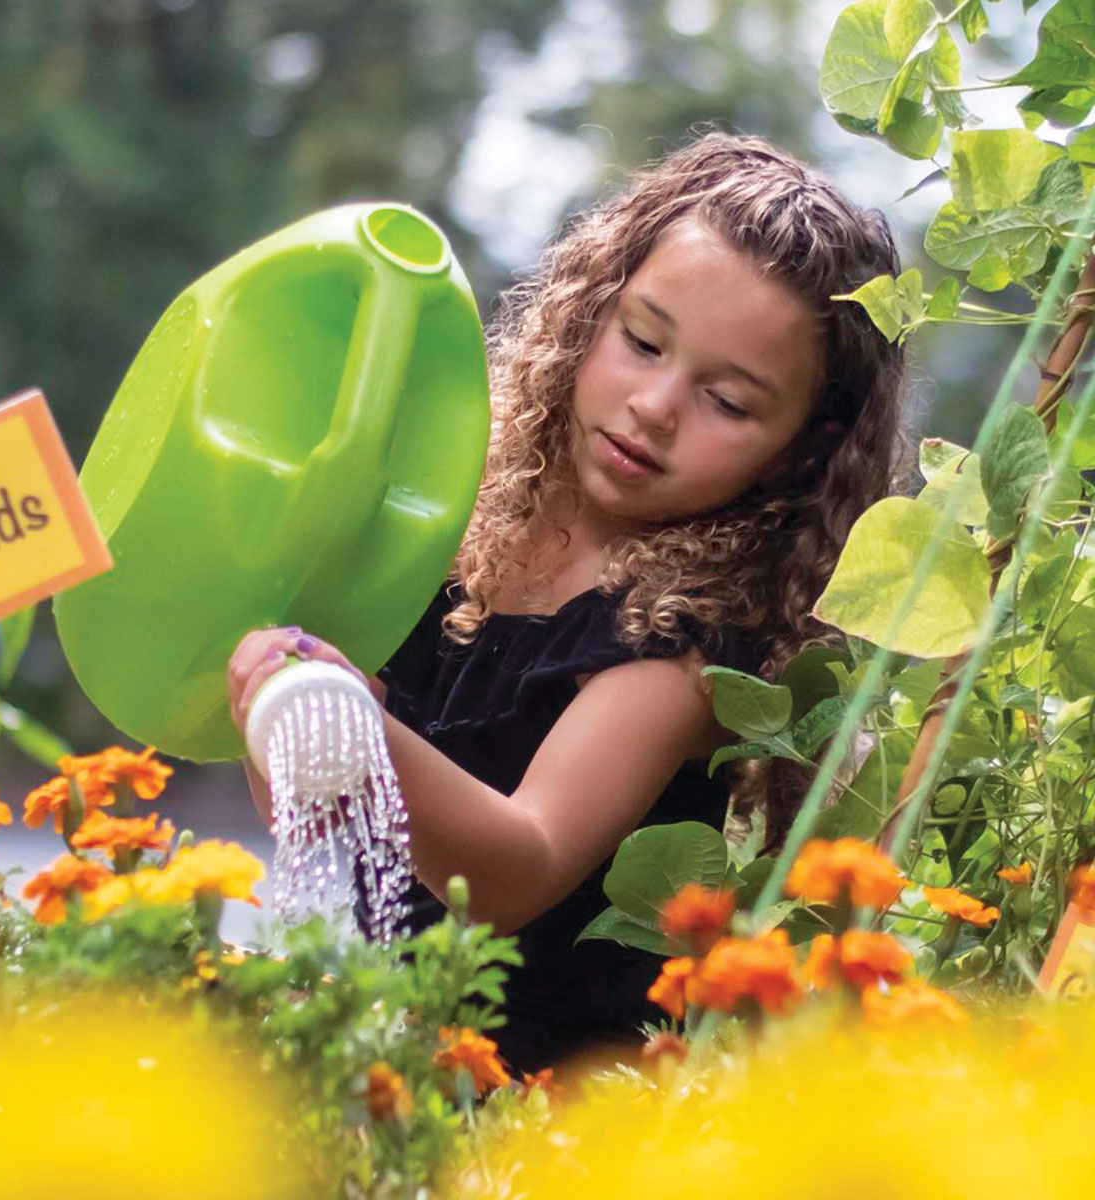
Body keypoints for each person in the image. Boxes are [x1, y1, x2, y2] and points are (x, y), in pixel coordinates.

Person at [226, 130, 906, 1073]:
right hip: (385, 1057)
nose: (655, 405)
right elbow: (335, 820)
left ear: (803, 451)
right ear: (591, 309)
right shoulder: (456, 521)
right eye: (642, 342)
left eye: (730, 402)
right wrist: (284, 705)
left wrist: (356, 726)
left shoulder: (690, 645)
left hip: (541, 1115)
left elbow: (519, 865)